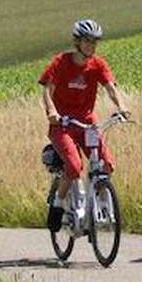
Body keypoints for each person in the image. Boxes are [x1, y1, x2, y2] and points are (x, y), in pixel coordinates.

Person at [39, 20, 131, 231]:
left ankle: (96, 202)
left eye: (94, 42)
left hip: (88, 125)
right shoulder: (61, 62)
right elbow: (47, 90)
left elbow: (110, 87)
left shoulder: (97, 65)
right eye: (87, 41)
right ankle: (58, 203)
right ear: (77, 42)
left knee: (106, 165)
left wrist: (122, 106)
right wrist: (51, 112)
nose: (91, 46)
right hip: (62, 125)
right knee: (73, 167)